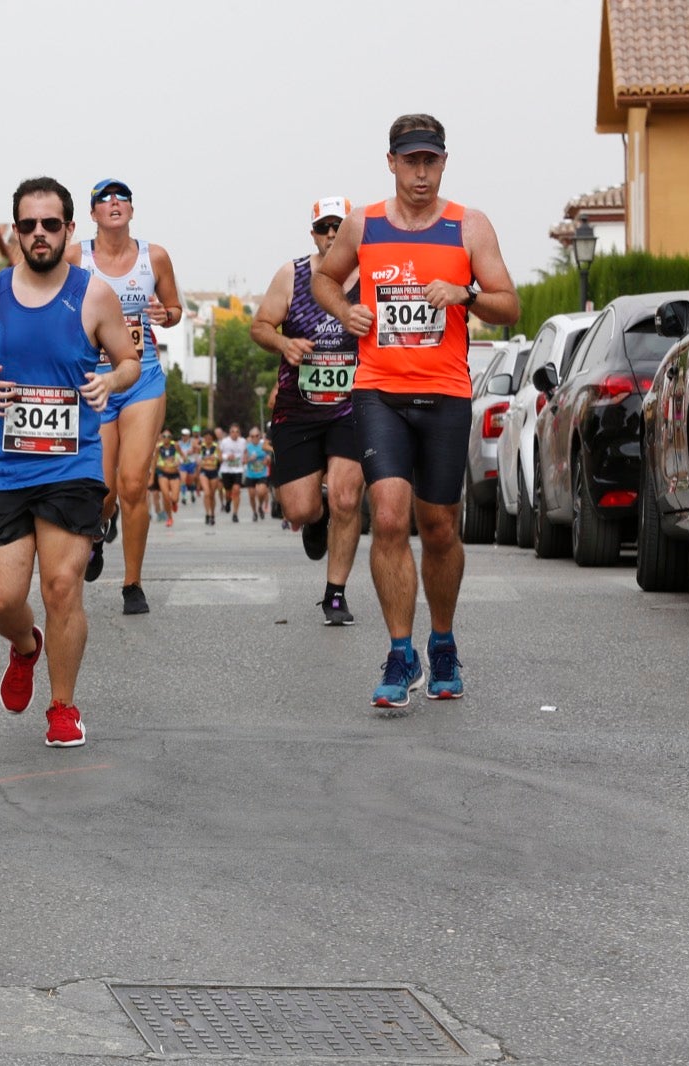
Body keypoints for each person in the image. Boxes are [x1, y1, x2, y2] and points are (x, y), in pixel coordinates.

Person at [313, 114, 519, 707]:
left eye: (431, 161)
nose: (421, 173)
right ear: (392, 162)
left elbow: (510, 303)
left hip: (447, 394)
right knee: (390, 513)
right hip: (379, 390)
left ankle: (444, 642)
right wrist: (344, 312)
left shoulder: (468, 227)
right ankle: (400, 653)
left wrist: (468, 294)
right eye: (411, 161)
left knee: (440, 527)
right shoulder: (365, 223)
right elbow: (327, 279)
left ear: (444, 163)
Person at [0, 176, 139, 746]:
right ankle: (24, 644)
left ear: (68, 230)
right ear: (15, 232)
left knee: (62, 586)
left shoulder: (94, 295)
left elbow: (129, 361)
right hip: (5, 467)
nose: (39, 234)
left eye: (50, 224)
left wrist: (111, 380)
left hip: (72, 464)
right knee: (3, 598)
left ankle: (63, 706)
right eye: (28, 225)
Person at [65, 179, 183, 614]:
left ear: (131, 210)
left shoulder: (155, 257)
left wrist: (163, 314)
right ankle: (98, 530)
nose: (114, 204)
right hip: (94, 382)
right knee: (104, 490)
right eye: (104, 200)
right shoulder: (77, 257)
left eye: (121, 199)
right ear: (93, 214)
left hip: (142, 377)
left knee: (134, 482)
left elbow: (173, 310)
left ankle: (132, 583)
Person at [250, 195, 366, 626]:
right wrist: (283, 343)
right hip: (298, 408)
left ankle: (335, 594)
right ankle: (316, 519)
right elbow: (260, 324)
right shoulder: (293, 274)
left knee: (346, 495)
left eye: (339, 226)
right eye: (323, 228)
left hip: (353, 406)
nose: (332, 235)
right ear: (313, 233)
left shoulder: (369, 274)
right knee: (298, 510)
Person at [152, 430, 184, 528]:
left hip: (174, 473)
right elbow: (154, 462)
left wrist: (179, 461)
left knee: (174, 498)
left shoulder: (176, 445)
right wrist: (152, 476)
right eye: (164, 436)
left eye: (169, 436)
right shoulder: (159, 447)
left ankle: (174, 503)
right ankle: (169, 518)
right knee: (165, 496)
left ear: (171, 437)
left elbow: (183, 457)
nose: (166, 438)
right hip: (163, 473)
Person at [219, 423, 248, 522]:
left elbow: (245, 452)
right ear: (229, 433)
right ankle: (228, 501)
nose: (235, 434)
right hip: (226, 470)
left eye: (237, 432)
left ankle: (235, 513)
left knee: (236, 490)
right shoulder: (224, 442)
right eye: (232, 432)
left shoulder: (243, 441)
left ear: (239, 433)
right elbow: (219, 455)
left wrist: (245, 458)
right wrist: (227, 457)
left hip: (238, 469)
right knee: (228, 492)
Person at [243, 427, 271, 519]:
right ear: (250, 437)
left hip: (262, 474)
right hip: (251, 475)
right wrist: (250, 459)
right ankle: (254, 512)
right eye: (252, 436)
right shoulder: (247, 447)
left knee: (261, 492)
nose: (255, 437)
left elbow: (269, 459)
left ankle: (260, 506)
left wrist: (267, 460)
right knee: (251, 496)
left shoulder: (264, 445)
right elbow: (243, 461)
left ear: (260, 436)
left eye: (257, 435)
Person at [197, 431, 221, 524]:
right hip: (204, 471)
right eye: (206, 438)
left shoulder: (216, 447)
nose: (208, 440)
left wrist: (215, 458)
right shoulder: (201, 447)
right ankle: (207, 513)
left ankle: (212, 514)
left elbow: (221, 458)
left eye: (210, 438)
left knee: (212, 494)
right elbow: (197, 458)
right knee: (206, 492)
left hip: (213, 471)